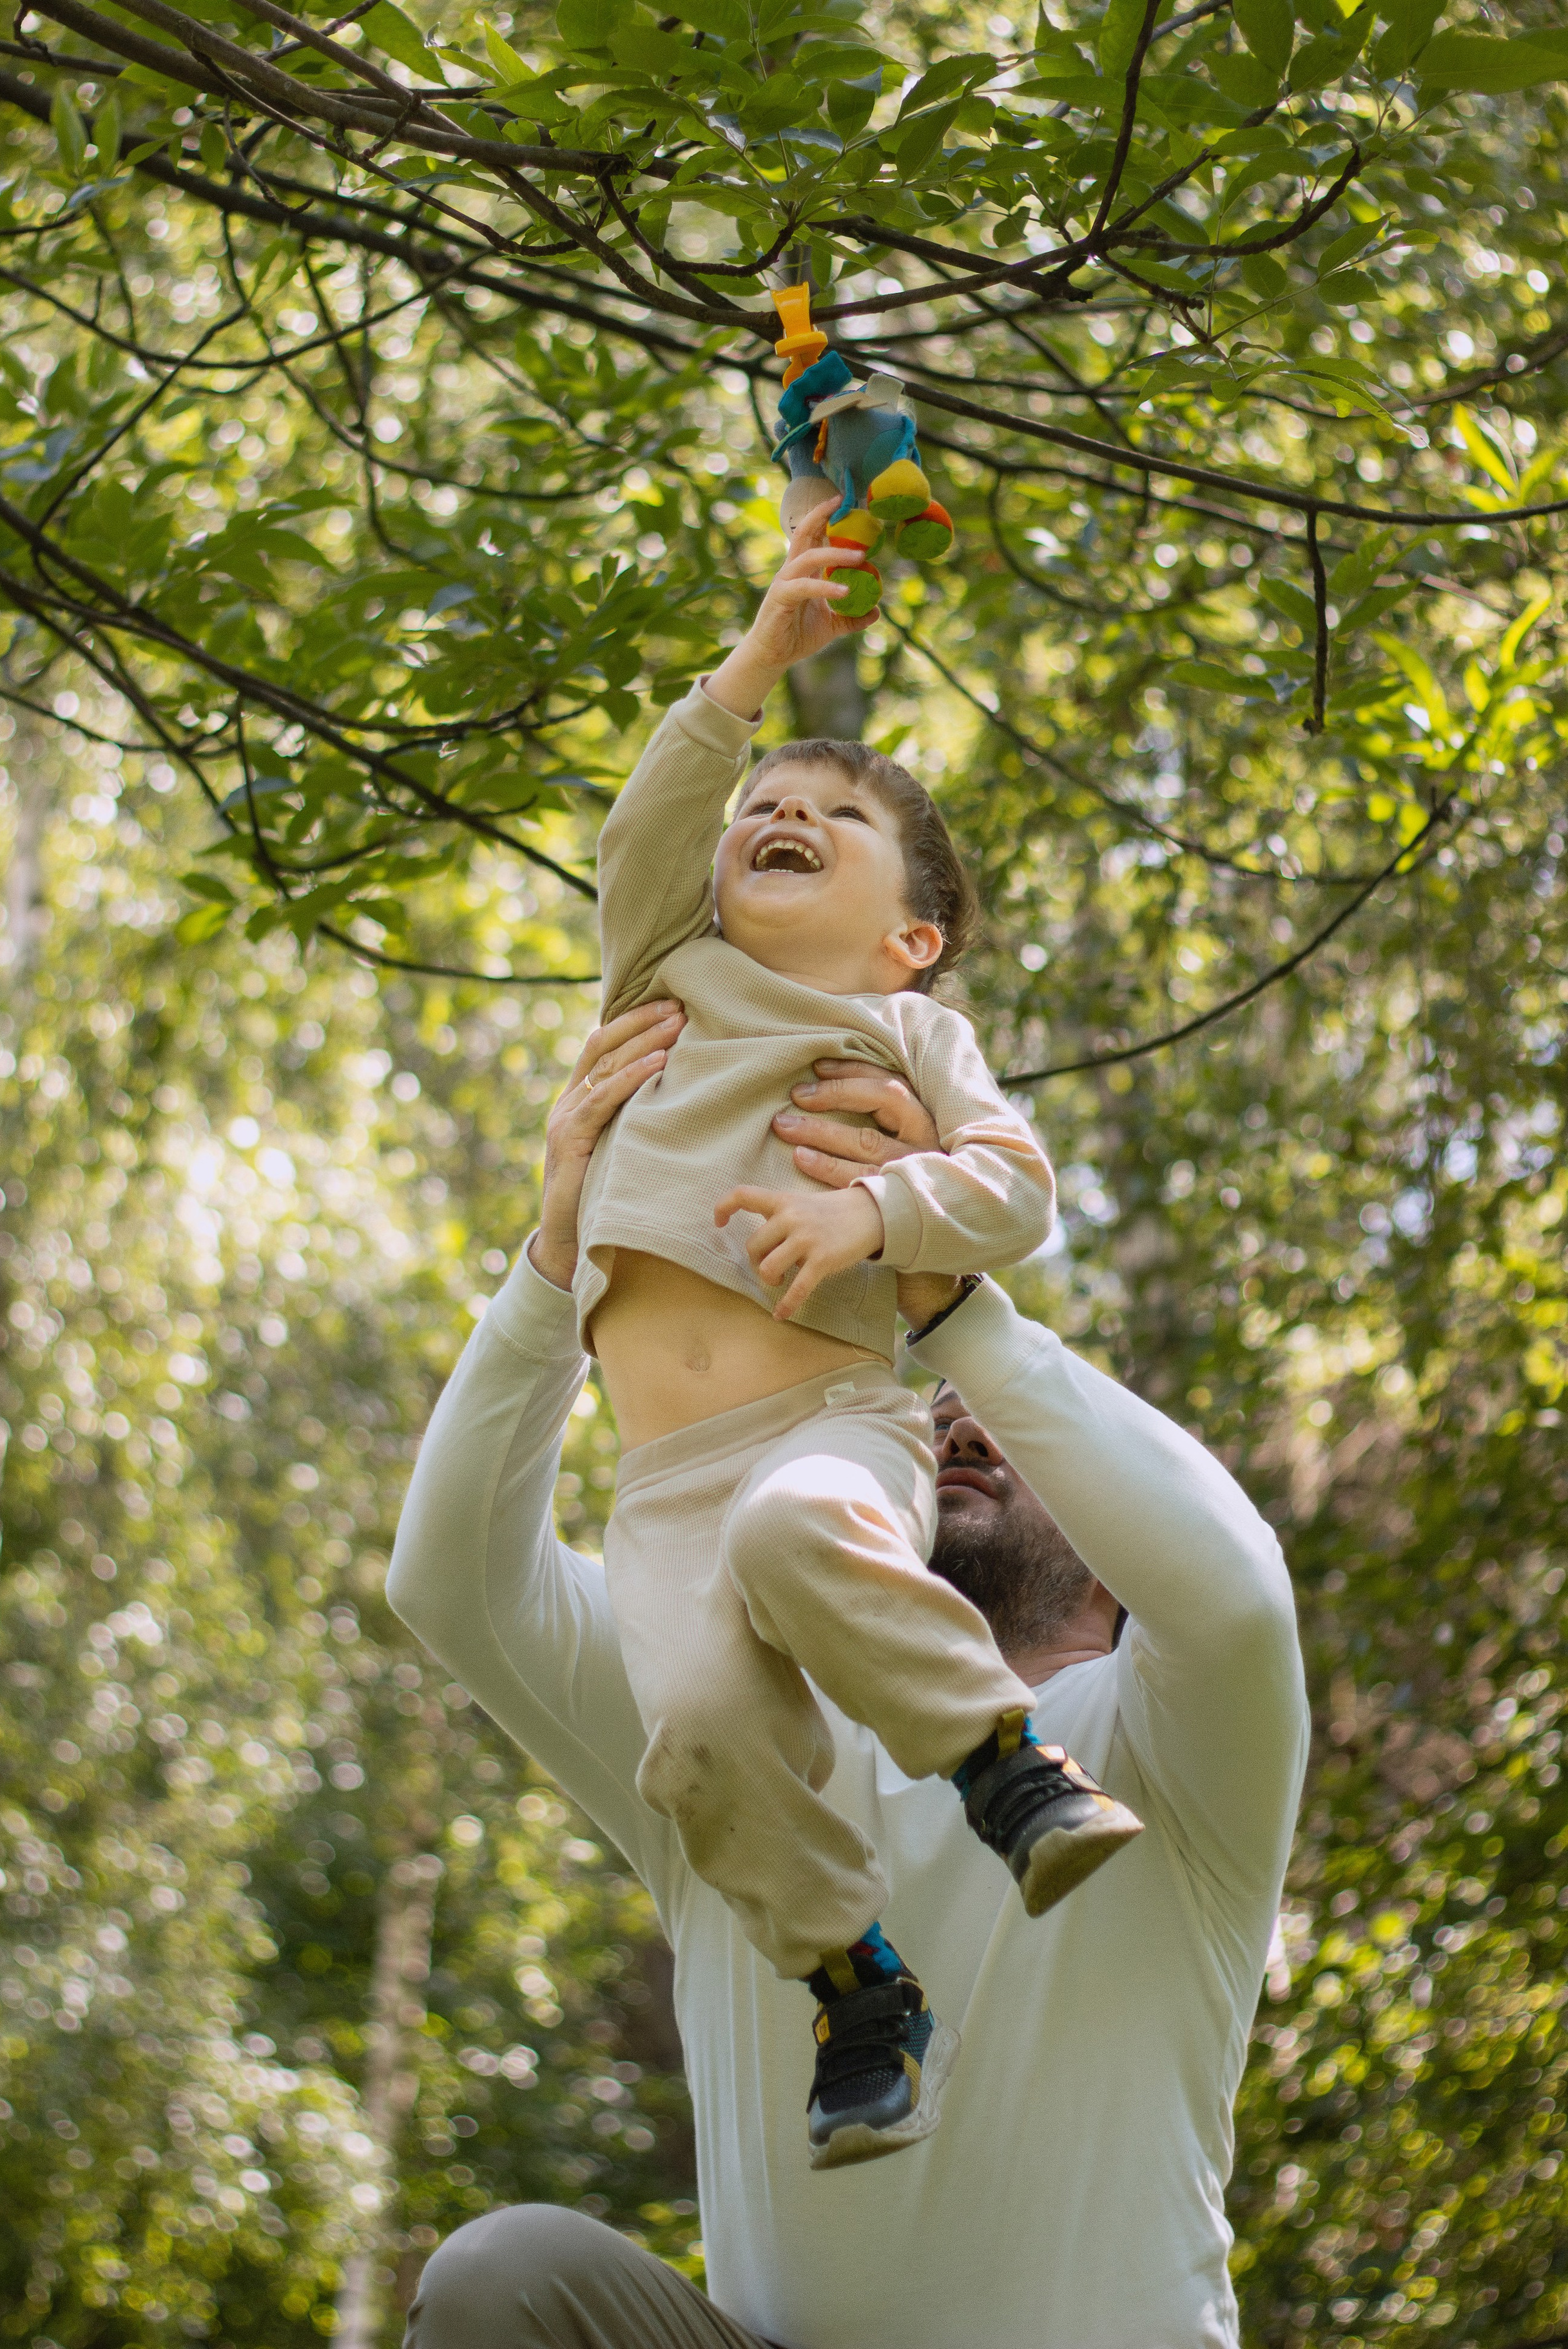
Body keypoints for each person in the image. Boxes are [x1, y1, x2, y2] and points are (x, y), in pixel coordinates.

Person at [387, 1010, 1310, 2349]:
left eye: (995, 1419)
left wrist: (952, 1306)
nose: (951, 1416)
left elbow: (1230, 1589)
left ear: (1116, 1562)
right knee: (503, 2280)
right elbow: (454, 1587)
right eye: (932, 1409)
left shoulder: (1173, 1746)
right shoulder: (741, 1743)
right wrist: (557, 1265)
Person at [572, 498, 1139, 2164]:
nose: (777, 810)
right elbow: (648, 827)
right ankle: (855, 1982)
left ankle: (1005, 1769)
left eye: (829, 813)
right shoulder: (662, 969)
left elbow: (1015, 1188)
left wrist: (868, 1217)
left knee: (801, 1532)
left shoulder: (903, 1028)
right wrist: (757, 663)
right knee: (695, 1733)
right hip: (659, 1484)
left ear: (915, 935)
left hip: (828, 1422)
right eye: (763, 805)